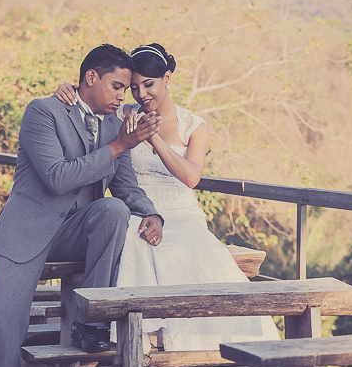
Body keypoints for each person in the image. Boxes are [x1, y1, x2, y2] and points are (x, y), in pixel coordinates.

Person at [0, 44, 166, 367]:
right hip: (29, 232)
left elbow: (125, 185)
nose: (121, 95)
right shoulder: (43, 111)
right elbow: (57, 178)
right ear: (90, 78)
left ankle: (89, 322)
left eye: (126, 88)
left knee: (115, 210)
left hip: (78, 233)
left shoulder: (117, 125)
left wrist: (151, 211)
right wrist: (118, 145)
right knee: (2, 325)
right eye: (116, 86)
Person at [55, 42, 279, 351]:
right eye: (134, 87)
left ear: (167, 79)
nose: (141, 94)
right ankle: (136, 337)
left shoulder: (194, 126)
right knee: (136, 241)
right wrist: (66, 89)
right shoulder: (122, 113)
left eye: (149, 84)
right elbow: (92, 100)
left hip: (180, 209)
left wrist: (152, 136)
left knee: (191, 254)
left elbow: (190, 177)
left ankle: (207, 343)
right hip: (137, 207)